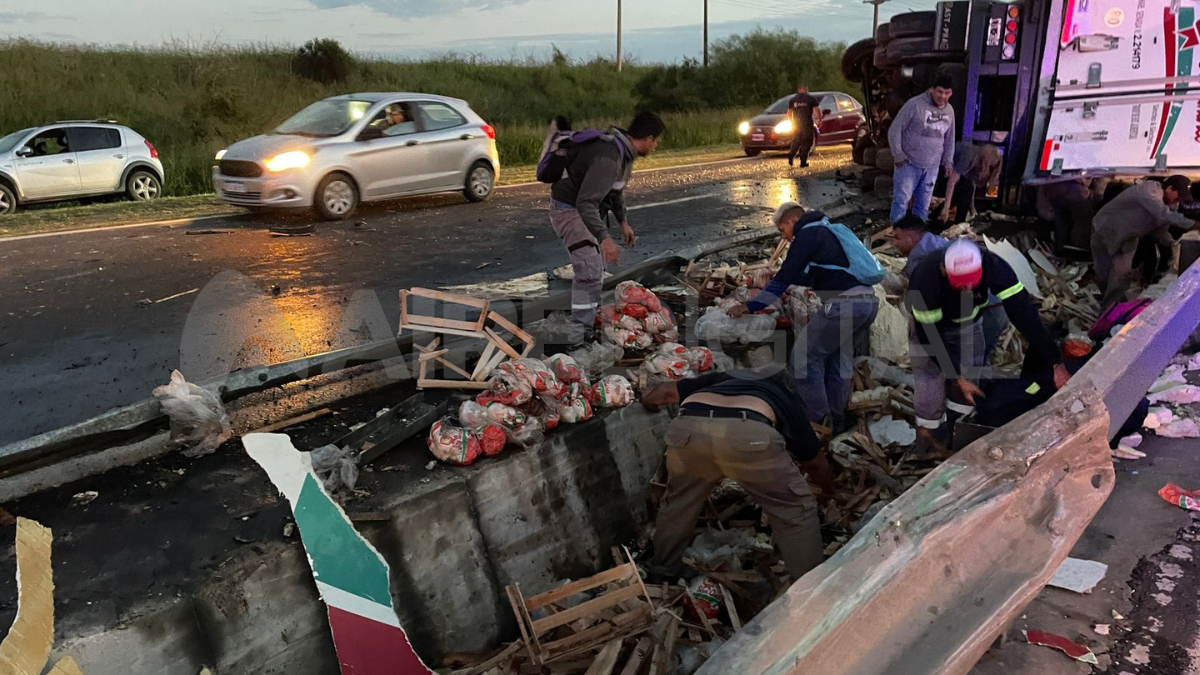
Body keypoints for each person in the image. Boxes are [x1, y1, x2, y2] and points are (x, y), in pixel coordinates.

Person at [641, 367, 832, 582]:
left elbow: (663, 392)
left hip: (688, 428)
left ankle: (662, 569)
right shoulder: (782, 394)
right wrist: (828, 492)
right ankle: (811, 586)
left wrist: (648, 402)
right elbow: (814, 462)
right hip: (747, 433)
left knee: (678, 504)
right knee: (796, 510)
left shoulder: (721, 379)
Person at [727, 202, 881, 431]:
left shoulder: (807, 235)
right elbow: (812, 277)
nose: (785, 237)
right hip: (867, 303)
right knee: (838, 359)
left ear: (791, 221)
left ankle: (817, 423)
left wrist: (749, 306)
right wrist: (781, 277)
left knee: (803, 360)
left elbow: (782, 281)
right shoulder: (828, 232)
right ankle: (837, 422)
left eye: (782, 230)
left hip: (844, 306)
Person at [907, 239, 1067, 452]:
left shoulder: (994, 265)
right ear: (944, 271)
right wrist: (954, 376)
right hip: (929, 329)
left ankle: (958, 439)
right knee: (931, 386)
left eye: (973, 283)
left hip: (968, 325)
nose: (968, 288)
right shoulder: (925, 279)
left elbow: (1023, 312)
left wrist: (1054, 361)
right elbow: (930, 336)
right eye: (962, 285)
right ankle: (928, 445)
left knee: (969, 384)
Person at [549, 112, 665, 345]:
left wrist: (623, 223)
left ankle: (588, 322)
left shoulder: (624, 155)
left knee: (596, 268)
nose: (656, 146)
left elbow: (615, 191)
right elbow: (585, 202)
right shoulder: (609, 158)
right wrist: (604, 238)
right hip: (569, 209)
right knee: (590, 270)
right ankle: (576, 338)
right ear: (649, 138)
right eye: (657, 141)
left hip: (585, 210)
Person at [892, 215, 1009, 361]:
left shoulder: (920, 260)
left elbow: (928, 305)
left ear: (912, 236)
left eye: (897, 238)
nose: (894, 244)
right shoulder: (936, 242)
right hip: (995, 305)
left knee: (970, 364)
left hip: (986, 311)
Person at [1092, 176, 1195, 307]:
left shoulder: (1171, 205)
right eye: (1177, 196)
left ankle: (1112, 308)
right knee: (1103, 272)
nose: (1177, 201)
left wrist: (1172, 244)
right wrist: (1192, 224)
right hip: (1107, 230)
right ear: (1169, 189)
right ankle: (1109, 304)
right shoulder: (1149, 191)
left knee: (1121, 275)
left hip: (1129, 237)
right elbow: (1163, 215)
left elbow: (1160, 231)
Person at [888, 74, 957, 224]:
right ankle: (897, 234)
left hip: (931, 167)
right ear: (932, 89)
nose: (943, 96)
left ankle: (917, 237)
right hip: (908, 164)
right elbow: (895, 130)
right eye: (940, 92)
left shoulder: (950, 111)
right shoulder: (914, 105)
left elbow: (950, 138)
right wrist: (897, 154)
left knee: (923, 205)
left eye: (947, 93)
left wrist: (948, 161)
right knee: (901, 201)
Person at [938, 142, 1001, 227]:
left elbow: (972, 184)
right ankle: (954, 221)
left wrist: (972, 208)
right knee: (963, 189)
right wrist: (946, 208)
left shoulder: (975, 162)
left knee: (967, 188)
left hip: (948, 173)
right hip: (940, 169)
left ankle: (957, 222)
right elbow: (952, 182)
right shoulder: (968, 155)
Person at [786, 85, 822, 169]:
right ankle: (803, 162)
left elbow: (789, 112)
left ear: (798, 89)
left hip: (797, 124)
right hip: (807, 124)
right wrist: (819, 119)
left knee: (797, 139)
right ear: (806, 89)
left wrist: (791, 121)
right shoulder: (811, 99)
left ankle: (791, 155)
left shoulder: (793, 99)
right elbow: (816, 110)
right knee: (807, 142)